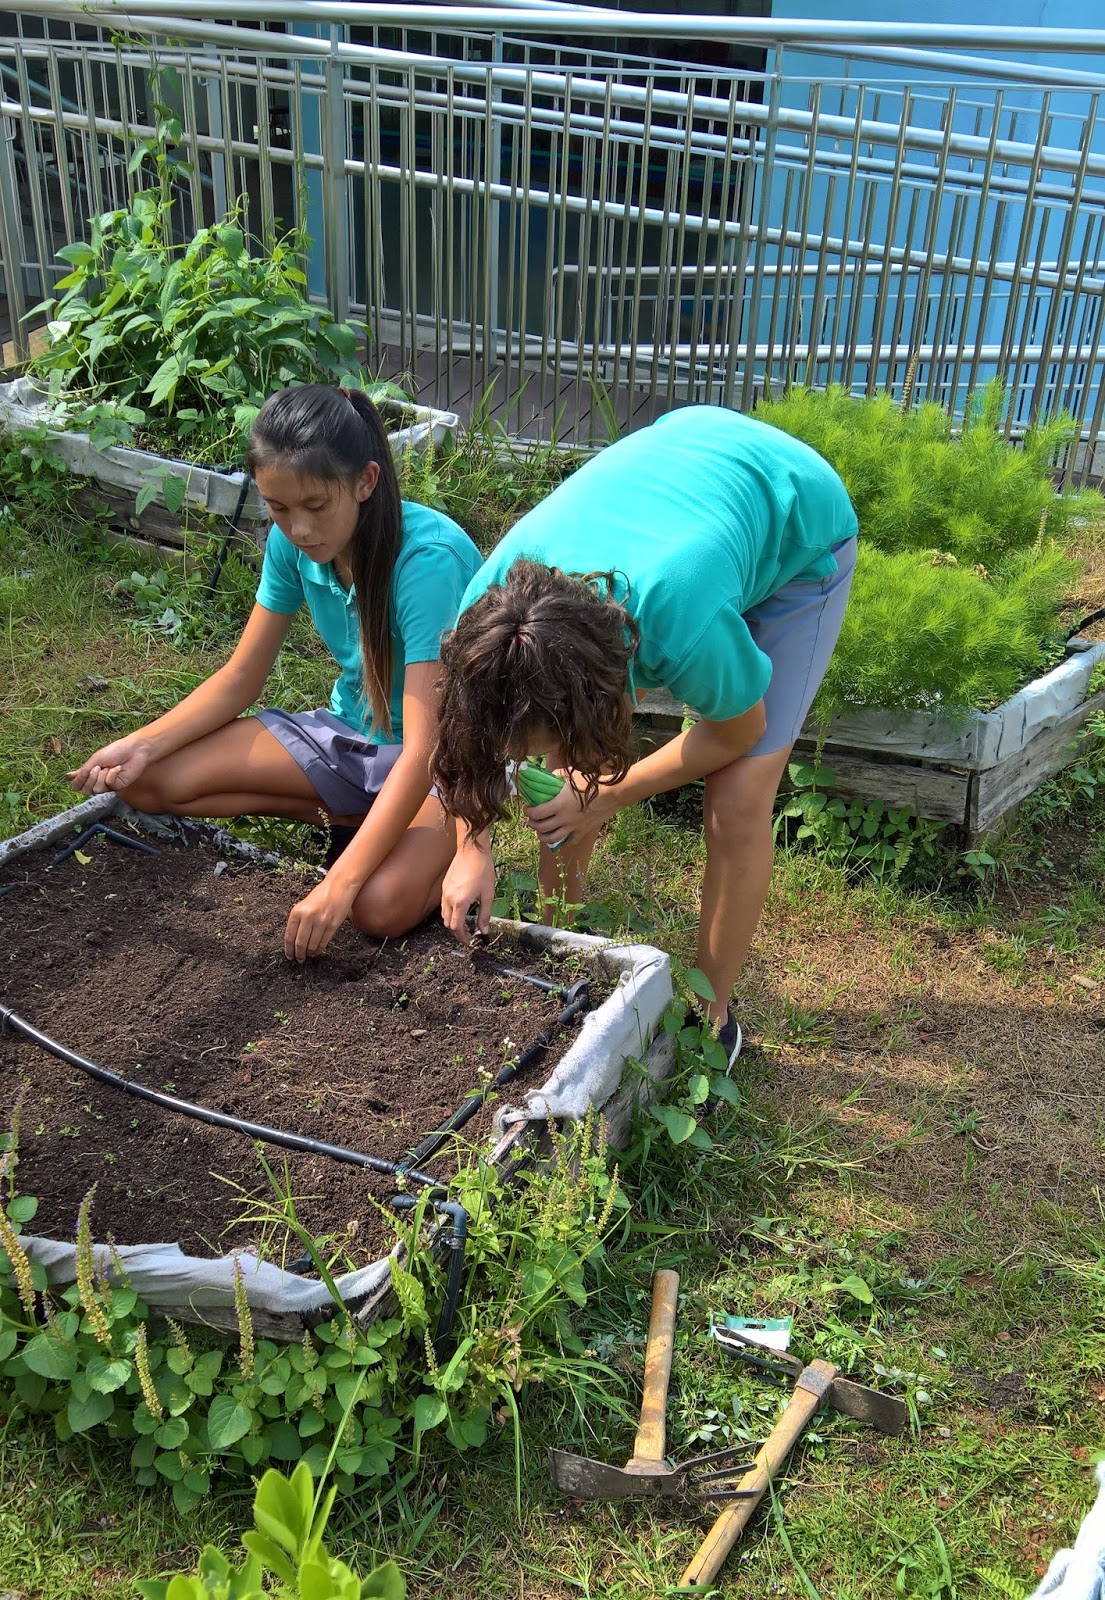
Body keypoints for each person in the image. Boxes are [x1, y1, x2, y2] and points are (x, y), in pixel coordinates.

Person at [432, 404, 858, 1062]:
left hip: (796, 517)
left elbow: (737, 731)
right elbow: (461, 736)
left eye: (536, 744)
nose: (525, 762)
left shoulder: (679, 620)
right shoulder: (485, 620)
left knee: (737, 798)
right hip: (681, 459)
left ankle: (709, 1020)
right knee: (567, 778)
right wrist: (470, 846)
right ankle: (564, 943)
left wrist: (607, 793)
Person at [69, 385, 482, 962]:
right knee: (143, 780)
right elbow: (241, 677)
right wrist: (142, 743)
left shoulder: (427, 563)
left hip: (444, 762)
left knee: (376, 906)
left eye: (316, 506)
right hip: (351, 735)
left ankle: (386, 829)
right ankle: (355, 811)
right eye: (278, 509)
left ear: (365, 482)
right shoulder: (293, 546)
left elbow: (425, 748)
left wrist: (338, 884)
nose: (300, 529)